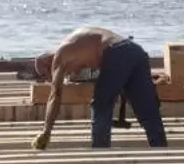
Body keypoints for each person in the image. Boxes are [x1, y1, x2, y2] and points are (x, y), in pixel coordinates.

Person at [30, 26, 168, 150]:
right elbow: (113, 67)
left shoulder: (60, 56)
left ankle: (100, 150)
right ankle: (161, 148)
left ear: (49, 63)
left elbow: (55, 95)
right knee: (147, 108)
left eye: (46, 75)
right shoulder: (76, 44)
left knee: (101, 104)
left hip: (116, 52)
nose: (49, 79)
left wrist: (46, 131)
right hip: (135, 50)